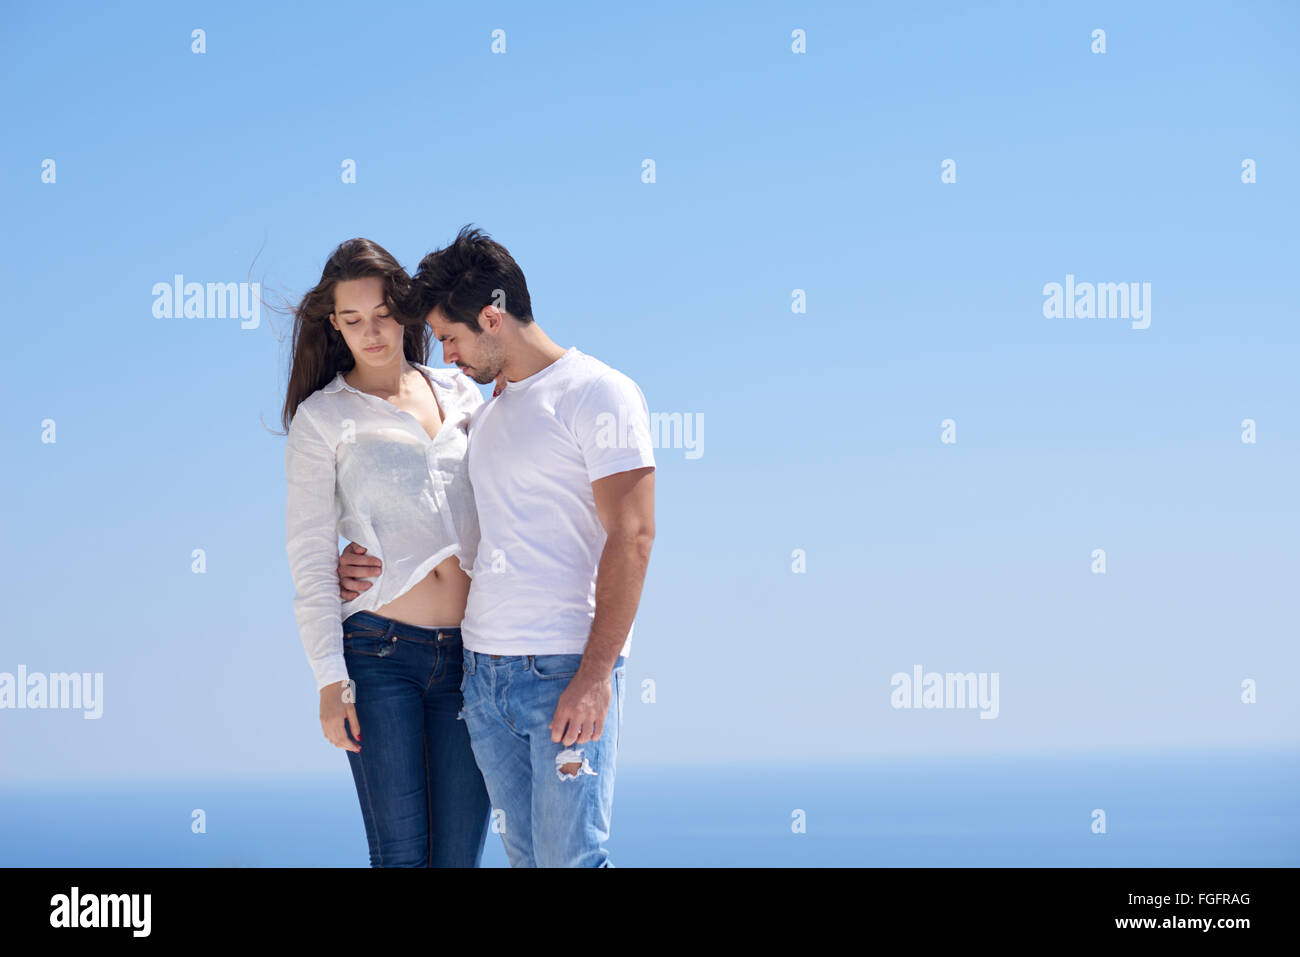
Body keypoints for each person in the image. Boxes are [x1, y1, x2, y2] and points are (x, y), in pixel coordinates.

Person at [338, 225, 656, 867]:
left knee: (573, 861)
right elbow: (454, 521)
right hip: (482, 680)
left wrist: (596, 677)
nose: (447, 356)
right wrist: (366, 559)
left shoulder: (599, 393)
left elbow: (634, 535)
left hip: (564, 669)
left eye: (451, 338)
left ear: (492, 316)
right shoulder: (487, 415)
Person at [282, 237, 491, 866]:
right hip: (379, 655)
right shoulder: (321, 420)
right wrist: (329, 683)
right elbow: (311, 557)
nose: (370, 333)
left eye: (381, 315)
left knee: (457, 859)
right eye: (352, 320)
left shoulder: (461, 394)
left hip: (472, 656)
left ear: (403, 311)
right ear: (334, 324)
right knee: (402, 857)